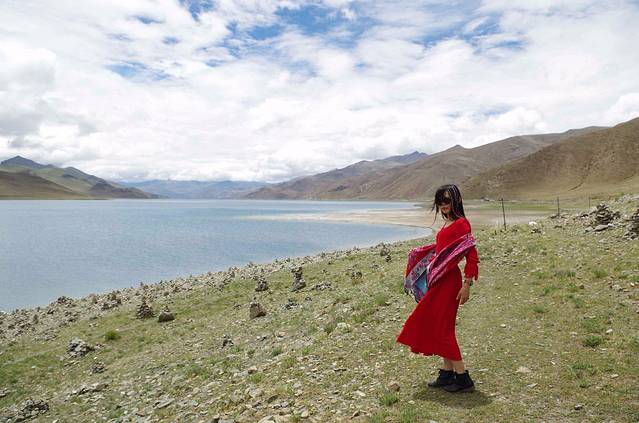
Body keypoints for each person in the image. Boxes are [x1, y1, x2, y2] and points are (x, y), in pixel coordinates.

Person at [396, 184, 479, 393]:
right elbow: (444, 251)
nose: (443, 204)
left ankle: (463, 378)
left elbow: (471, 256)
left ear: (456, 200)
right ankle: (447, 373)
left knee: (442, 328)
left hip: (449, 283)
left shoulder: (461, 224)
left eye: (447, 200)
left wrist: (467, 285)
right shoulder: (448, 223)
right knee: (439, 325)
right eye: (440, 201)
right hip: (439, 281)